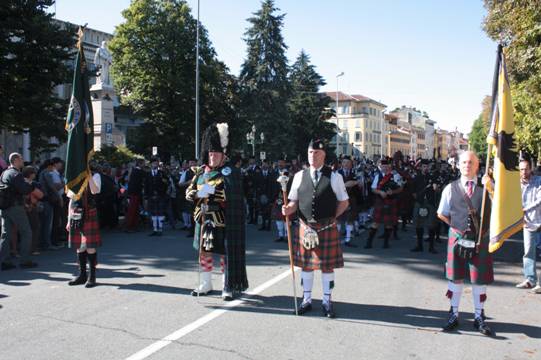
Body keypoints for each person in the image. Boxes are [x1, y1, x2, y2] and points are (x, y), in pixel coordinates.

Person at [282, 139, 349, 318]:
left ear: (324, 155)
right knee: (306, 266)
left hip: (326, 227)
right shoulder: (298, 176)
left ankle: (327, 301)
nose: (313, 156)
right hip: (305, 227)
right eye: (311, 152)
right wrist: (288, 208)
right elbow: (294, 201)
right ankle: (307, 300)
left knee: (327, 267)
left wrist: (332, 218)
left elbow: (344, 202)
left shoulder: (335, 176)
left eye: (317, 153)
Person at [187, 123, 248, 300]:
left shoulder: (230, 172)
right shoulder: (200, 172)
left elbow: (227, 193)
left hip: (222, 219)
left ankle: (226, 285)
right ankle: (206, 284)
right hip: (203, 218)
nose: (212, 156)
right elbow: (189, 193)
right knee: (203, 252)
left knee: (224, 253)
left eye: (216, 153)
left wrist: (204, 192)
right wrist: (201, 192)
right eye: (210, 153)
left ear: (224, 155)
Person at [437, 151, 494, 336]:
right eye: (464, 162)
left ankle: (479, 316)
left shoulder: (488, 189)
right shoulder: (450, 188)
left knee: (479, 279)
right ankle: (453, 314)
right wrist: (456, 228)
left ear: (477, 166)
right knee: (456, 278)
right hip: (457, 238)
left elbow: (498, 212)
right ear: (459, 165)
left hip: (480, 240)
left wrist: (491, 187)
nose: (467, 165)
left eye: (471, 162)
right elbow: (442, 212)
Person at [0, 153, 38, 270]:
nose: (22, 160)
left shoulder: (4, 173)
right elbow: (24, 190)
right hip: (15, 207)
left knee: (5, 235)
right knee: (26, 232)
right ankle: (25, 260)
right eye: (21, 158)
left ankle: (5, 261)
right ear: (15, 160)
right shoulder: (16, 174)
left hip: (4, 207)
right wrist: (31, 185)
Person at [364, 159, 402, 249]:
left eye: (386, 166)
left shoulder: (396, 176)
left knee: (388, 223)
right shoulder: (378, 176)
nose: (384, 168)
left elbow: (401, 188)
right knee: (375, 223)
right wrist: (380, 192)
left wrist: (392, 192)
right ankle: (369, 242)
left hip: (391, 201)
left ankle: (386, 243)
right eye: (382, 166)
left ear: (390, 166)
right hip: (380, 201)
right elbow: (373, 189)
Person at [517, 157, 541, 293]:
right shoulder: (516, 185)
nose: (524, 172)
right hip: (527, 223)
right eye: (521, 169)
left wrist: (524, 209)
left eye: (526, 169)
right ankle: (530, 280)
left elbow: (539, 200)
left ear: (530, 169)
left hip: (539, 220)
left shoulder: (538, 181)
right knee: (528, 253)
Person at [410, 159, 439, 254]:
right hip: (420, 203)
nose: (425, 168)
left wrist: (436, 187)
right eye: (424, 166)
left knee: (431, 225)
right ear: (421, 167)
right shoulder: (416, 178)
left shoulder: (432, 177)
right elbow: (413, 191)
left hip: (430, 203)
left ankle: (431, 247)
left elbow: (436, 189)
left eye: (427, 166)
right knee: (418, 225)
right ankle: (419, 245)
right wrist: (417, 198)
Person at [337, 156, 360, 247]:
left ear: (351, 164)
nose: (346, 164)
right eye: (344, 162)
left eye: (348, 163)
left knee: (350, 219)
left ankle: (348, 239)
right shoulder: (336, 174)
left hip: (351, 199)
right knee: (338, 220)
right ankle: (336, 239)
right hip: (339, 199)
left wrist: (357, 183)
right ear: (341, 164)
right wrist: (345, 185)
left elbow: (359, 186)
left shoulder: (355, 173)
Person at [145, 157, 168, 236]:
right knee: (153, 213)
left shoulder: (162, 173)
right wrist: (146, 196)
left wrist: (162, 192)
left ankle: (160, 229)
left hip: (160, 195)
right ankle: (155, 229)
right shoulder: (148, 174)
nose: (155, 164)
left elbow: (166, 184)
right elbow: (146, 186)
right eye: (153, 163)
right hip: (151, 196)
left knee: (160, 212)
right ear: (151, 164)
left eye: (156, 163)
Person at [124, 159, 145, 232]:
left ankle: (133, 225)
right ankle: (130, 226)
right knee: (133, 210)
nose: (144, 165)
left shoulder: (134, 171)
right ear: (140, 164)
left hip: (134, 193)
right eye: (143, 163)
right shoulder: (138, 171)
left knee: (134, 210)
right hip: (135, 193)